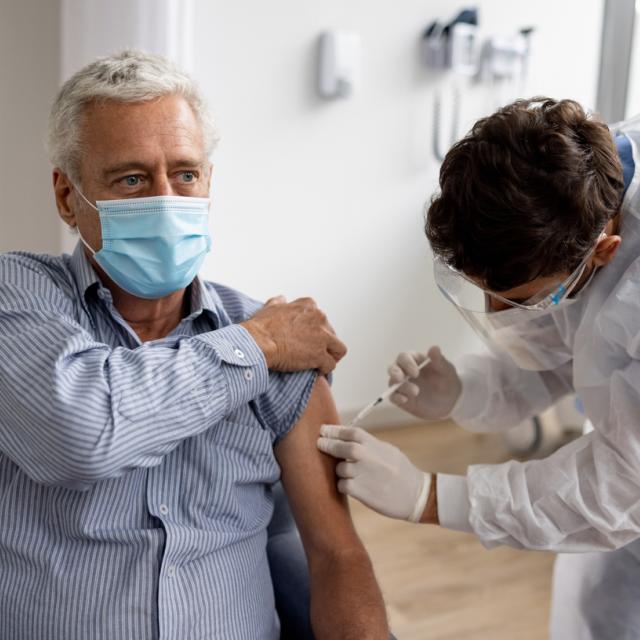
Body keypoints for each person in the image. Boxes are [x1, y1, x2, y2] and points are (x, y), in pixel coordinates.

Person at [0, 50, 391, 640]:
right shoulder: (20, 295)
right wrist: (256, 346)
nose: (167, 199)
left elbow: (337, 556)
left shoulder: (281, 344)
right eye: (131, 179)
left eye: (185, 173)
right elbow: (78, 435)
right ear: (67, 197)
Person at [318, 97, 640, 639]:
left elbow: (620, 487)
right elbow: (579, 352)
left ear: (604, 252)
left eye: (519, 299)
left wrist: (433, 497)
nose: (498, 315)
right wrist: (466, 389)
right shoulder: (576, 187)